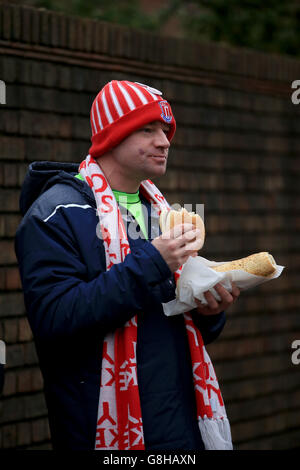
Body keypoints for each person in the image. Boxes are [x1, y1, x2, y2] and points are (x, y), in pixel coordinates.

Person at [15, 80, 240, 451]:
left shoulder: (161, 211)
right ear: (111, 136)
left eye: (166, 131)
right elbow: (55, 319)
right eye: (148, 129)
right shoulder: (55, 213)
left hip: (179, 426)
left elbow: (172, 321)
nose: (164, 141)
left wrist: (209, 311)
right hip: (101, 431)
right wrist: (154, 262)